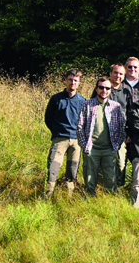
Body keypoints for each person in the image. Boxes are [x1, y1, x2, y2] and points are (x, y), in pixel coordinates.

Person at [77, 77, 127, 195]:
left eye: (107, 88)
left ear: (110, 90)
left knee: (110, 180)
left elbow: (121, 127)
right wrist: (84, 145)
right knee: (90, 180)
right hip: (91, 148)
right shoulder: (87, 105)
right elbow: (80, 127)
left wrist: (117, 145)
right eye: (101, 87)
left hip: (109, 149)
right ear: (96, 89)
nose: (104, 90)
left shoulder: (116, 107)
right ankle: (90, 201)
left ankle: (109, 202)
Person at [44, 68, 86, 199]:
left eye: (75, 80)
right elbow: (48, 119)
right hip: (59, 139)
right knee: (53, 167)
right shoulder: (56, 99)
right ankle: (47, 195)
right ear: (66, 80)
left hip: (76, 141)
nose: (72, 83)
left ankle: (69, 196)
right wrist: (56, 132)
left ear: (79, 83)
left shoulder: (83, 101)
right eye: (70, 80)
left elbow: (84, 122)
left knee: (72, 169)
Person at [91, 63, 132, 188]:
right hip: (102, 133)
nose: (118, 76)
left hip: (120, 133)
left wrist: (129, 133)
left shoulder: (126, 92)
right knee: (102, 162)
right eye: (115, 73)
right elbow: (92, 109)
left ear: (124, 76)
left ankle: (118, 187)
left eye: (121, 74)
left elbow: (131, 113)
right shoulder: (102, 87)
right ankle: (101, 187)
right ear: (111, 74)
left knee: (120, 163)